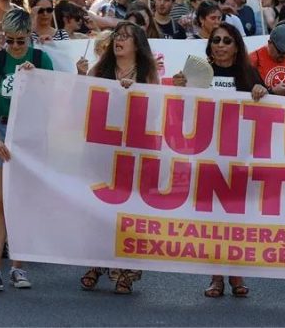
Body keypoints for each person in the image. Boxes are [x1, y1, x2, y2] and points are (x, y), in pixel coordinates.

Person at [173, 23, 266, 297]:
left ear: (237, 45)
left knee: (236, 219)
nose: (221, 45)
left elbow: (267, 114)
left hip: (239, 157)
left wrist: (262, 92)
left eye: (227, 40)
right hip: (207, 157)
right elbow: (179, 113)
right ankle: (216, 278)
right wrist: (178, 90)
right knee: (212, 220)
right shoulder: (194, 72)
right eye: (216, 40)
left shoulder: (248, 74)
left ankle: (236, 275)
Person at [80, 21, 159, 295]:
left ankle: (127, 269)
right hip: (103, 151)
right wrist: (81, 78)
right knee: (100, 208)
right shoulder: (100, 69)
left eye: (125, 37)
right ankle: (96, 263)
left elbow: (158, 108)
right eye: (116, 36)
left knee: (130, 211)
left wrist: (137, 93)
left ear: (137, 44)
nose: (118, 41)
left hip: (136, 152)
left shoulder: (148, 73)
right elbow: (83, 101)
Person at [0, 8, 53, 293]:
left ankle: (18, 267)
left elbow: (51, 99)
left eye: (20, 41)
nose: (14, 46)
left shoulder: (40, 59)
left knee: (21, 203)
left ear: (29, 37)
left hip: (28, 134)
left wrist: (35, 78)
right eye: (9, 40)